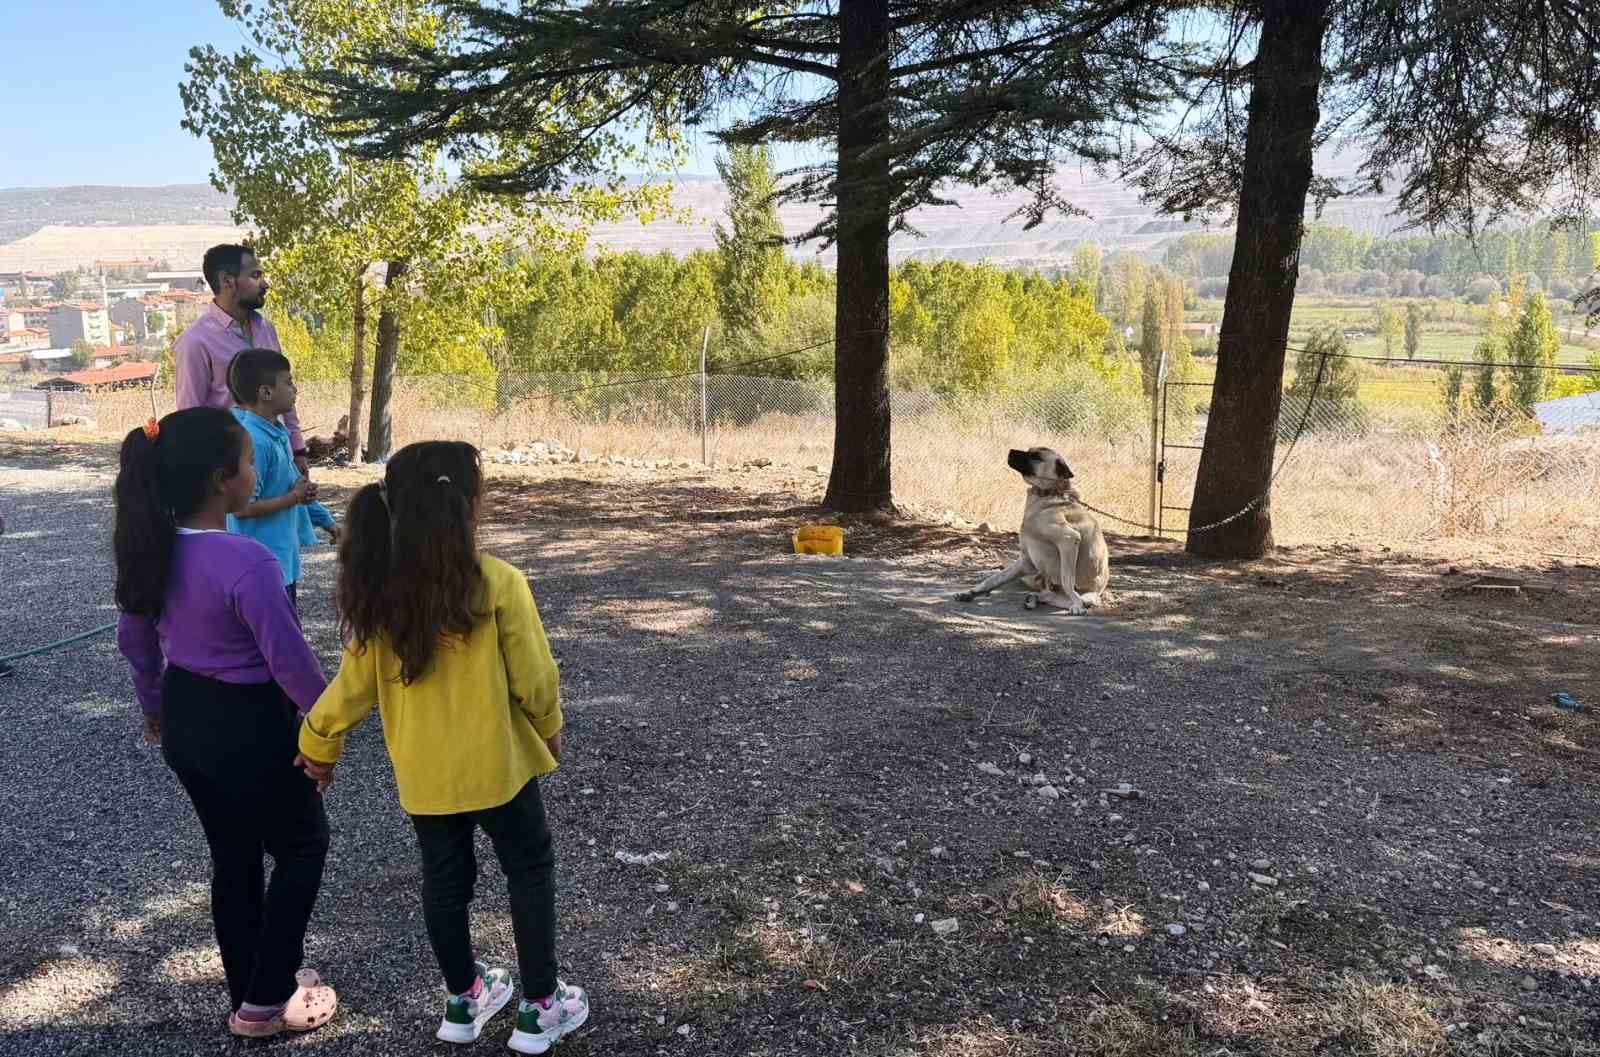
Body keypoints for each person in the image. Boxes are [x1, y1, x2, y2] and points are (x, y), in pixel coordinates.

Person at [294, 441, 588, 1053]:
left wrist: (319, 743)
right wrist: (549, 723)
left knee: (445, 883)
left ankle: (464, 999)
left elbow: (350, 688)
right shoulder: (499, 584)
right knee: (529, 869)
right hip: (501, 769)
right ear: (465, 507)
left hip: (425, 779)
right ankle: (540, 1005)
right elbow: (535, 676)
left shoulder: (382, 595)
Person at [113, 407, 337, 1039]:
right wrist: (329, 733)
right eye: (246, 462)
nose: (255, 472)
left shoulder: (152, 552)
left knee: (233, 855)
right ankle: (266, 1001)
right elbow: (289, 662)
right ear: (221, 479)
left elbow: (136, 644)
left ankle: (253, 986)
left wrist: (154, 707)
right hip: (251, 725)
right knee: (302, 844)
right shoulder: (247, 562)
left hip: (187, 720)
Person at [173, 244, 310, 480]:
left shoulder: (266, 328)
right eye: (255, 275)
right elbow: (190, 417)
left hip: (279, 458)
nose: (265, 284)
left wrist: (297, 448)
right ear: (227, 280)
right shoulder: (195, 341)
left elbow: (283, 387)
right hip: (231, 469)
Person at [226, 349, 338, 613]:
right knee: (274, 644)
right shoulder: (254, 441)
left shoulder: (277, 433)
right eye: (288, 382)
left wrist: (328, 522)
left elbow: (295, 487)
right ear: (266, 392)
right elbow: (241, 509)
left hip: (282, 562)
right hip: (260, 567)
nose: (295, 389)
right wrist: (294, 498)